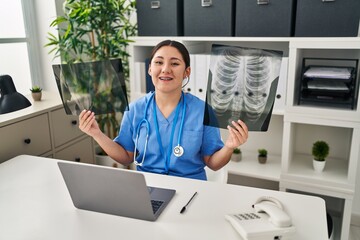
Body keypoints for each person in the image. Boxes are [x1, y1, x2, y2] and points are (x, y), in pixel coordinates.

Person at [79, 40, 248, 180]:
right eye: (159, 62)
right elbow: (125, 156)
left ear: (186, 72)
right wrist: (97, 134)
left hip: (192, 189)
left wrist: (229, 147)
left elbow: (212, 162)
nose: (166, 69)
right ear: (150, 69)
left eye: (174, 63)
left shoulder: (203, 110)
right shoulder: (135, 110)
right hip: (147, 187)